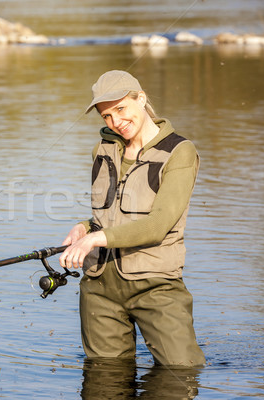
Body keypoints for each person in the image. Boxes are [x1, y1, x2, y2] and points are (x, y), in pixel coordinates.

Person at [59, 70, 206, 367]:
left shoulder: (179, 152)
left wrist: (95, 237)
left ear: (141, 98)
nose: (115, 122)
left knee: (181, 375)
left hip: (156, 286)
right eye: (106, 116)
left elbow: (158, 225)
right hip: (99, 289)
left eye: (121, 109)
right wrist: (83, 227)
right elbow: (110, 216)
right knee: (105, 379)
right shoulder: (103, 150)